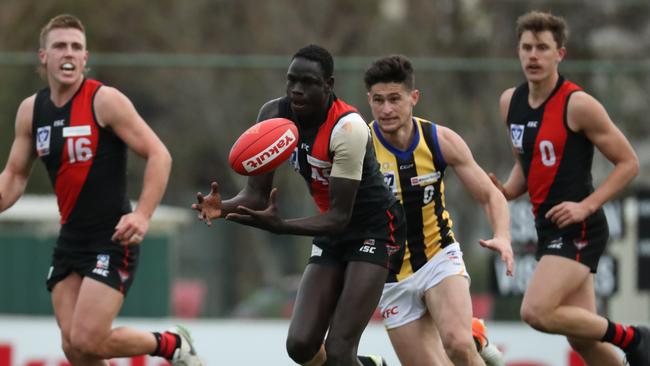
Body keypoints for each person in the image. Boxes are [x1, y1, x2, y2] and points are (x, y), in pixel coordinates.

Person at [0, 14, 201, 366]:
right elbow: (15, 175)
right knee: (76, 349)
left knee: (88, 338)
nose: (69, 53)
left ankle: (170, 343)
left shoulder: (104, 101)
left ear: (85, 57)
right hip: (70, 240)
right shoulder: (32, 111)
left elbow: (159, 155)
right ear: (43, 56)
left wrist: (142, 215)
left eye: (76, 47)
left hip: (112, 238)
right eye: (60, 45)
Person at [192, 44, 406, 366]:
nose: (296, 89)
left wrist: (282, 228)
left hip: (375, 229)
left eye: (307, 82)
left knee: (338, 349)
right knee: (300, 345)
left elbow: (339, 217)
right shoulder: (273, 115)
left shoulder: (348, 128)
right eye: (291, 80)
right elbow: (256, 195)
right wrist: (223, 208)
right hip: (333, 228)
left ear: (329, 85)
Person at [489, 10, 648, 366]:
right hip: (548, 228)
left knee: (536, 311)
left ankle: (635, 337)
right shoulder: (509, 102)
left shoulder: (578, 104)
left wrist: (586, 206)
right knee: (583, 339)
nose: (533, 55)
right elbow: (525, 166)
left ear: (560, 54)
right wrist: (504, 191)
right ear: (518, 50)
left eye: (543, 48)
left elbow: (629, 163)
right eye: (527, 47)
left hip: (580, 228)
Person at [363, 55, 513, 366]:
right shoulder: (360, 146)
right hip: (390, 274)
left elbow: (489, 195)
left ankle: (467, 337)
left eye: (395, 99)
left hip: (438, 257)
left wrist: (502, 235)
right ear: (369, 100)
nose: (386, 109)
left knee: (457, 346)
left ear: (413, 98)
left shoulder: (439, 140)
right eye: (378, 100)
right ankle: (475, 336)